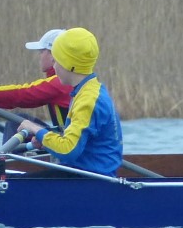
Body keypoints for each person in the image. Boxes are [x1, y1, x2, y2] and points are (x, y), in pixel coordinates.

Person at [16, 27, 123, 177]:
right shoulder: (90, 90)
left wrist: (34, 128)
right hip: (85, 174)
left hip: (90, 180)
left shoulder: (88, 101)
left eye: (56, 61)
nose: (54, 66)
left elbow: (68, 150)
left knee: (12, 184)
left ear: (69, 64)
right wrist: (45, 139)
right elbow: (76, 143)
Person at [0, 28, 74, 130]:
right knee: (18, 122)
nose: (39, 56)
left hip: (68, 141)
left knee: (15, 123)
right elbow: (16, 99)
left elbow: (20, 94)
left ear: (53, 55)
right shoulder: (70, 78)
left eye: (41, 52)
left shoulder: (60, 83)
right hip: (66, 136)